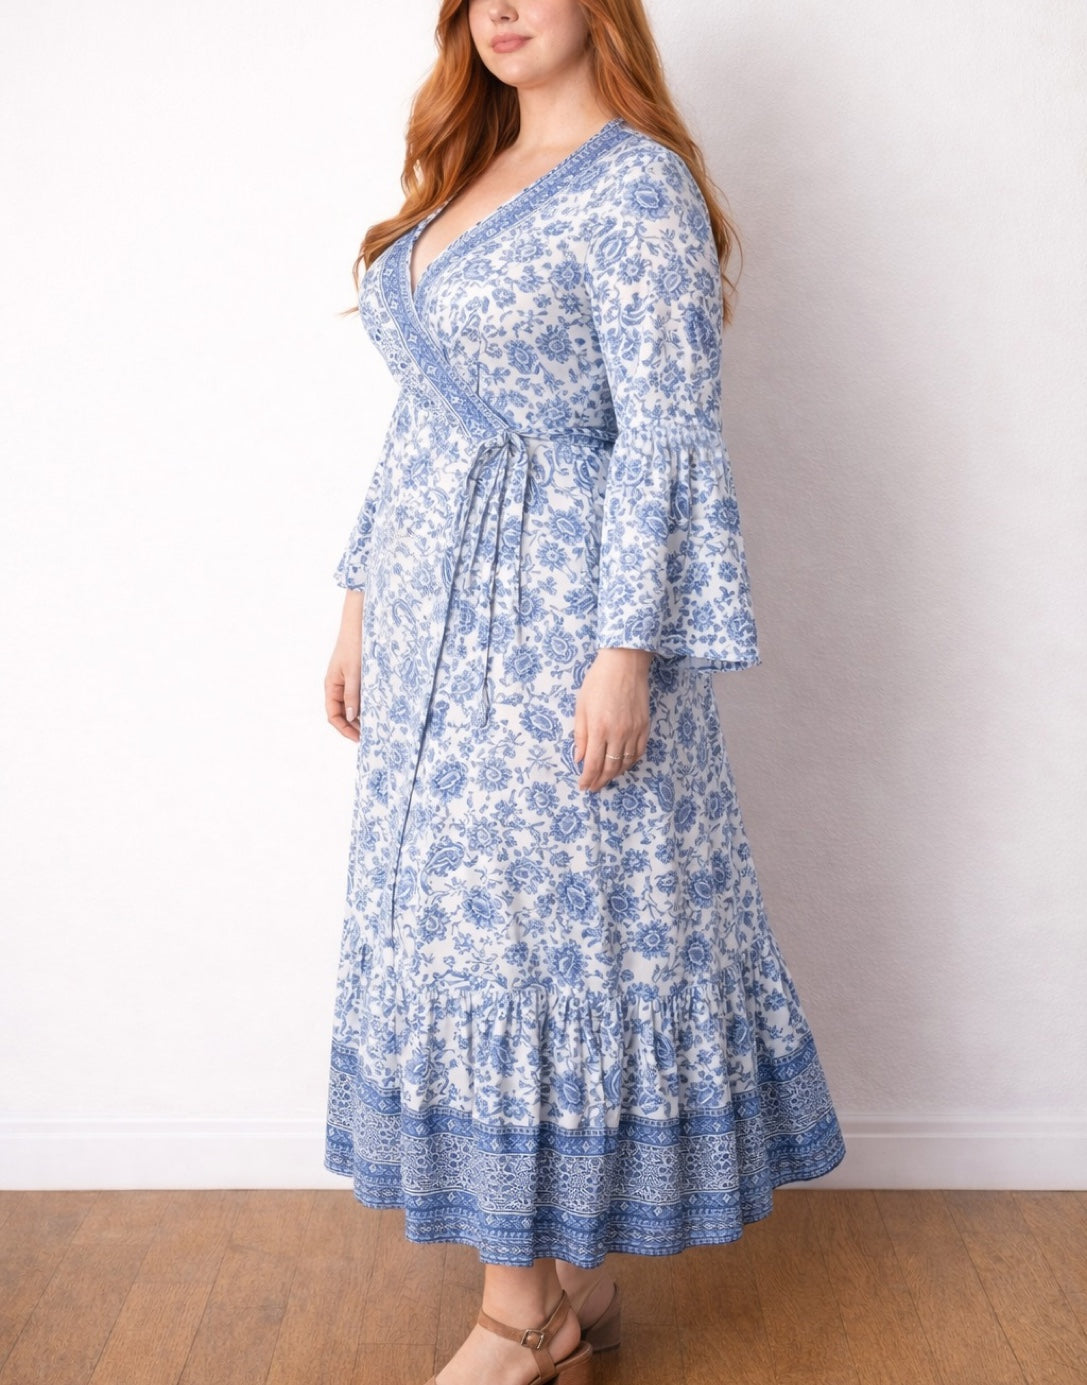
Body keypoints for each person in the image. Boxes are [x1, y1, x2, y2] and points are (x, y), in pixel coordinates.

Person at [322, 2, 847, 1381]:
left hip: (554, 619)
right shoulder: (466, 169)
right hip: (431, 616)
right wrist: (362, 595)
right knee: (452, 931)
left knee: (532, 942)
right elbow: (425, 413)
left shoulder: (636, 187)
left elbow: (668, 430)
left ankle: (521, 1317)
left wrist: (627, 647)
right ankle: (565, 1283)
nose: (500, 10)